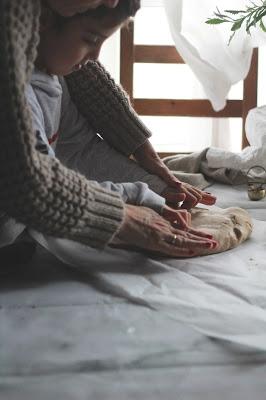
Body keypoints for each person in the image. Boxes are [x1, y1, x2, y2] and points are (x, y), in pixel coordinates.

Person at [0, 0, 217, 260]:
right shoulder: (18, 93)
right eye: (91, 39)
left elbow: (79, 150)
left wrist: (155, 190)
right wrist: (128, 208)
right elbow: (30, 184)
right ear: (42, 19)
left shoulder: (57, 79)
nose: (95, 57)